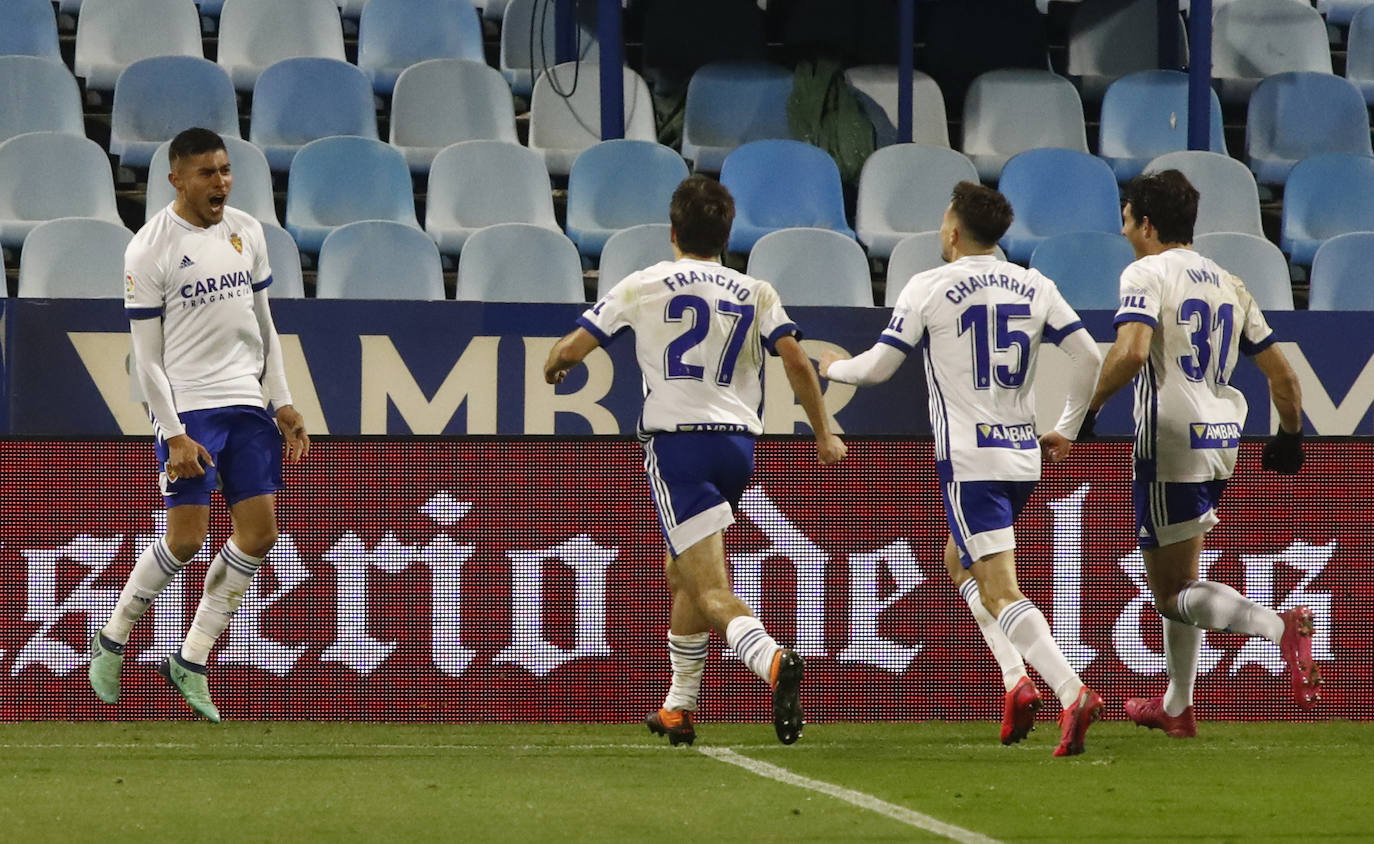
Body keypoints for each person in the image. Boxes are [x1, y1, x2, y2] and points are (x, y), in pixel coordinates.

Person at [544, 175, 846, 746]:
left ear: (673, 230)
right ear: (727, 235)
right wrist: (823, 432)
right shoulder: (754, 289)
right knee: (681, 570)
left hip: (678, 445)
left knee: (711, 587)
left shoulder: (643, 283)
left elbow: (572, 348)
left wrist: (553, 366)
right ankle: (679, 705)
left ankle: (772, 660)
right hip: (737, 446)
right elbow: (800, 363)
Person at [820, 181, 1106, 756]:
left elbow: (879, 369)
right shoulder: (1036, 284)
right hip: (1023, 456)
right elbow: (1090, 356)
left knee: (1001, 589)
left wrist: (836, 369)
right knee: (960, 561)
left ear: (953, 231)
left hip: (970, 459)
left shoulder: (929, 286)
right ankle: (1014, 681)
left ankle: (1071, 691)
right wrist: (1070, 428)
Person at [1082, 169, 1317, 739]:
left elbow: (1133, 351)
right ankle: (1177, 706)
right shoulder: (1229, 282)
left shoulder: (1145, 272)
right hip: (1220, 440)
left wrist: (1085, 411)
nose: (1123, 227)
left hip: (1168, 439)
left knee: (1169, 593)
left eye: (1126, 215)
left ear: (1148, 223)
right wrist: (1289, 436)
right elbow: (1282, 375)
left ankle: (1277, 626)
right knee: (1181, 575)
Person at [88, 127, 310, 722]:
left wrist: (282, 401)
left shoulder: (247, 231)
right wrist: (173, 430)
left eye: (226, 170)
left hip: (247, 403)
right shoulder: (149, 249)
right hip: (189, 407)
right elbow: (148, 357)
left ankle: (190, 658)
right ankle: (111, 639)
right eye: (208, 173)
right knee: (186, 540)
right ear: (177, 179)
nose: (221, 182)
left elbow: (265, 324)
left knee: (259, 535)